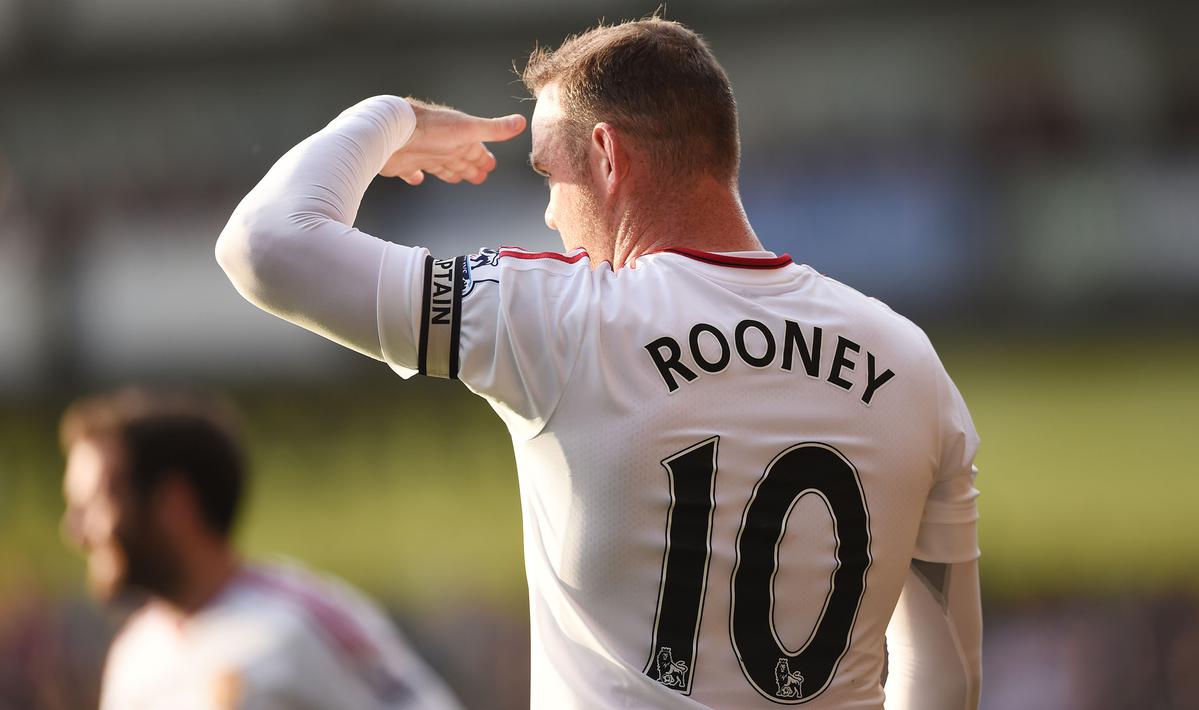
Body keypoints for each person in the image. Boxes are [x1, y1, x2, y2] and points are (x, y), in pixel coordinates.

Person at [215, 16, 982, 709]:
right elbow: (946, 678)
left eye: (549, 173)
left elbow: (264, 246)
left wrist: (387, 118)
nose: (549, 215)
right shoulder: (907, 359)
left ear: (607, 156)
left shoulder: (563, 321)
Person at [60, 388, 465, 710]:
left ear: (174, 504)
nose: (74, 531)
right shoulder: (134, 657)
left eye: (96, 502)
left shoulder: (297, 624)